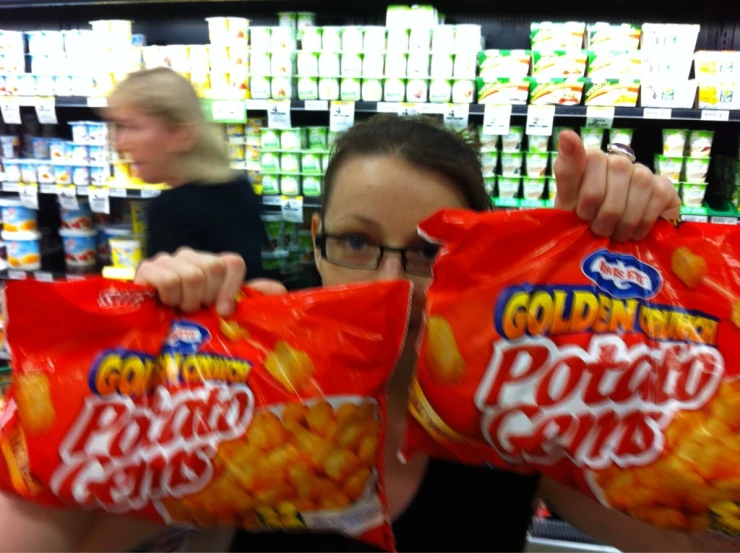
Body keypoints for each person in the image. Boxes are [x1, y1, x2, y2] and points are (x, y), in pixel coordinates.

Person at [0, 116, 729, 553]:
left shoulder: (515, 412)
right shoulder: (246, 396)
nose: (389, 281)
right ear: (315, 241)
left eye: (427, 252)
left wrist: (646, 304)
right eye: (356, 241)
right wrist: (125, 356)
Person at [105, 67, 268, 275]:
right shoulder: (239, 186)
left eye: (130, 127)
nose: (118, 144)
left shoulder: (170, 210)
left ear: (180, 133)